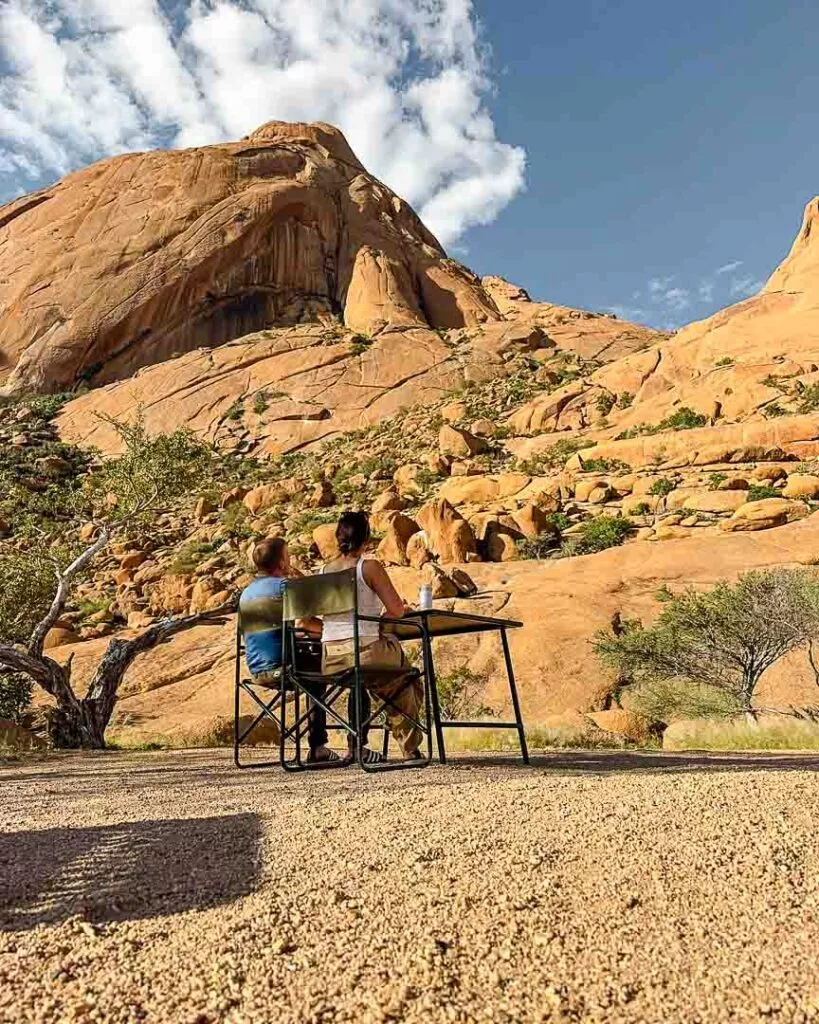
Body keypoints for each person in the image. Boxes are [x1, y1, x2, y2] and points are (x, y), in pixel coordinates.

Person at [321, 510, 424, 762]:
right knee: (407, 678)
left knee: (377, 680)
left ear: (338, 537)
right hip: (365, 653)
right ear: (366, 539)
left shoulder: (323, 571)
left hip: (330, 659)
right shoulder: (369, 567)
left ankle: (357, 744)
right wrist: (382, 623)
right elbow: (397, 610)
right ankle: (409, 747)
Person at [239, 537, 340, 764]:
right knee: (324, 668)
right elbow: (305, 624)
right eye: (288, 556)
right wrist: (335, 630)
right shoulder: (283, 587)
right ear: (283, 562)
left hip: (256, 670)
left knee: (311, 661)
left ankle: (319, 745)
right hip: (283, 669)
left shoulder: (246, 593)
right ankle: (319, 747)